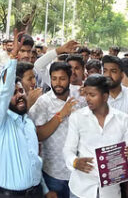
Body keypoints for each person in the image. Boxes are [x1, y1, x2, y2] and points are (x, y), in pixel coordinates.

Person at [0, 30, 55, 198]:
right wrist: (12, 59)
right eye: (14, 92)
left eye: (20, 91)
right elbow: (4, 92)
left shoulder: (28, 122)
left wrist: (45, 190)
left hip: (35, 192)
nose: (19, 95)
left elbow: (34, 160)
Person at [63, 74, 128, 198]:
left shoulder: (123, 120)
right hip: (81, 190)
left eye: (92, 95)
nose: (87, 99)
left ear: (105, 96)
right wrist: (75, 162)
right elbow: (68, 150)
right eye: (86, 94)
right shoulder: (77, 117)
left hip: (111, 192)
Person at [29, 62, 85, 198]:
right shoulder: (43, 102)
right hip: (53, 172)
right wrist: (61, 114)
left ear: (70, 78)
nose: (57, 83)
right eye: (54, 79)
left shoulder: (80, 97)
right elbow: (38, 135)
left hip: (78, 171)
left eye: (62, 78)